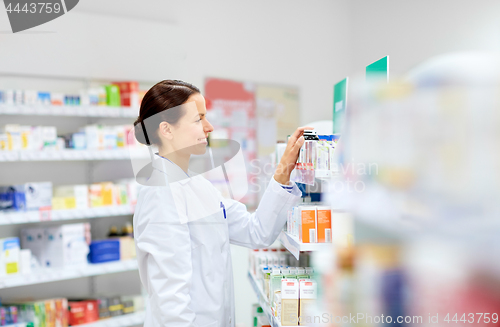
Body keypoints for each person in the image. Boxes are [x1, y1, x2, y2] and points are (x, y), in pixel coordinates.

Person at [132, 80, 311, 327]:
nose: (209, 127)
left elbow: (256, 231)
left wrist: (284, 170)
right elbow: (171, 301)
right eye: (198, 119)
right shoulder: (160, 193)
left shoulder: (197, 185)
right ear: (167, 129)